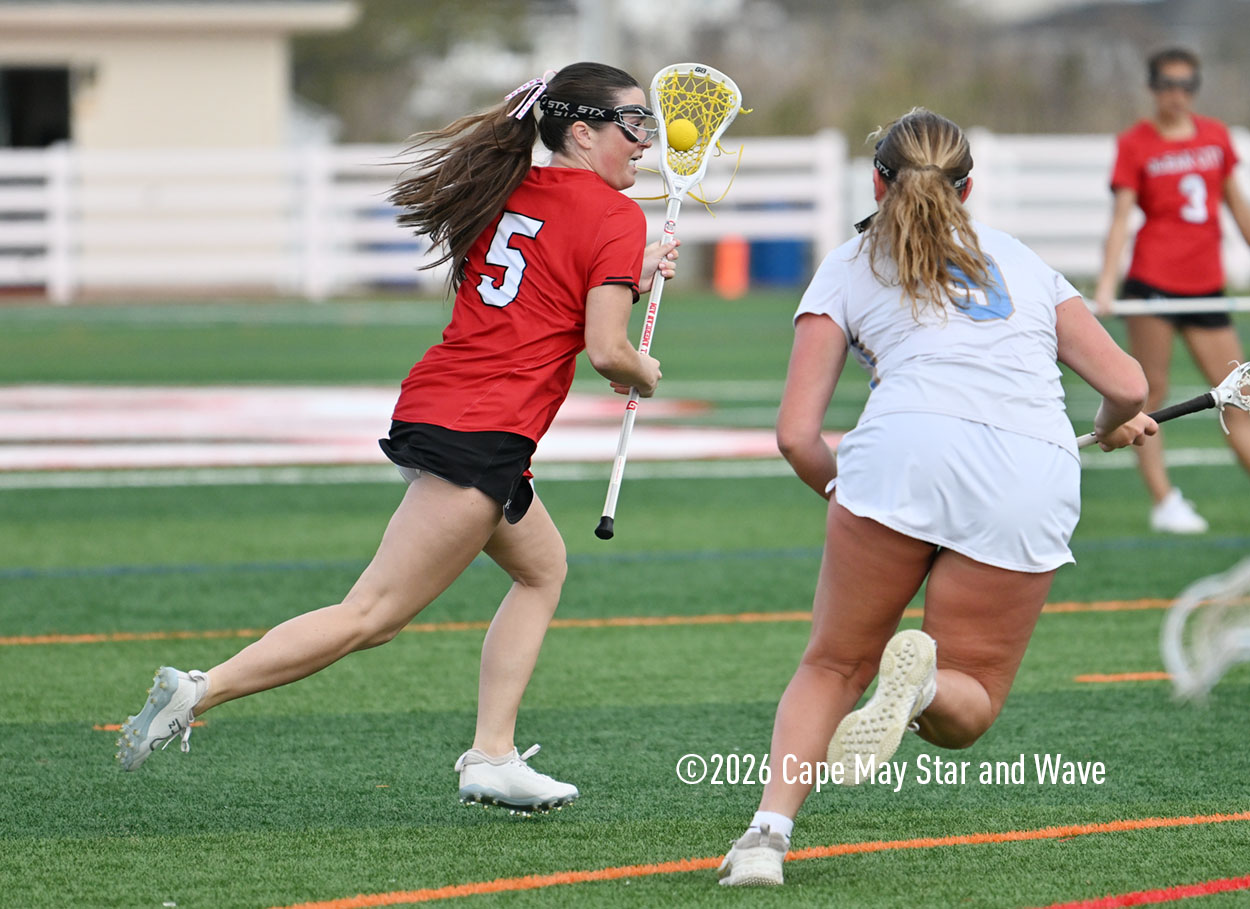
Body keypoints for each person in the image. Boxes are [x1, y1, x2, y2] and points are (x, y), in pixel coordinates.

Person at [115, 62, 678, 815]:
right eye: (633, 123)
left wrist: (629, 270)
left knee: (542, 568)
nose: (646, 140)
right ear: (582, 131)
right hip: (483, 428)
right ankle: (199, 691)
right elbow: (608, 351)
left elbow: (549, 277)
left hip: (446, 407)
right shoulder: (615, 216)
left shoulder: (514, 188)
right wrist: (643, 370)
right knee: (372, 615)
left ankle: (494, 754)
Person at [718, 108, 1156, 886]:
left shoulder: (848, 264)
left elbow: (795, 434)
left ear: (877, 182)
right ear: (968, 188)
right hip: (1029, 471)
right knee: (970, 700)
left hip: (899, 457)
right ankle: (921, 686)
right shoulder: (1020, 258)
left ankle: (764, 838)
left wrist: (847, 494)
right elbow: (1127, 383)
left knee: (833, 664)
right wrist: (1109, 426)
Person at [1094, 47, 1250, 534]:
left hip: (1206, 287)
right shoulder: (1135, 143)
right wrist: (1106, 283)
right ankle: (1164, 502)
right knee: (1150, 394)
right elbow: (1121, 219)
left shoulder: (1215, 136)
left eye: (1187, 85)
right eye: (1167, 84)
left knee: (1240, 395)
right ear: (1152, 87)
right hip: (1153, 286)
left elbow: (1237, 207)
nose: (1177, 95)